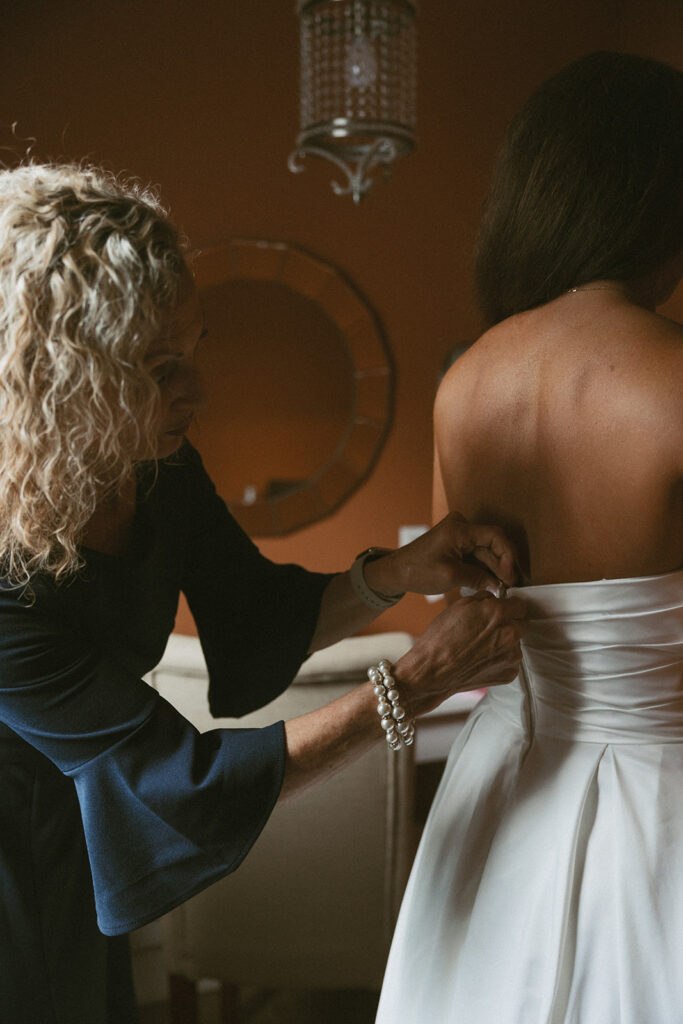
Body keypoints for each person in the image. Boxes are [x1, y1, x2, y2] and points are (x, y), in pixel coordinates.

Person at [0, 161, 526, 1024]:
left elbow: (254, 620)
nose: (197, 394)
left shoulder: (160, 470)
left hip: (70, 839)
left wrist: (397, 572)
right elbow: (175, 780)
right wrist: (414, 683)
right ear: (67, 379)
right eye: (161, 368)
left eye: (194, 352)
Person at [376, 51, 683, 1024]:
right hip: (658, 794)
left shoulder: (465, 380)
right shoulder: (670, 379)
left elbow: (457, 595)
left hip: (508, 779)